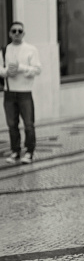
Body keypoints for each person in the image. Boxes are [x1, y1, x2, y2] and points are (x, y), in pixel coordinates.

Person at [0, 22, 42, 164]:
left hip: (25, 92)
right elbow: (0, 70)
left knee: (28, 124)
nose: (17, 33)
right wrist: (7, 72)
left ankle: (29, 152)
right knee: (12, 124)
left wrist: (21, 68)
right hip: (9, 92)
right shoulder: (5, 50)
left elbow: (37, 69)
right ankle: (15, 151)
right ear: (10, 33)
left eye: (19, 31)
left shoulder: (31, 49)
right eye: (14, 31)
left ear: (23, 33)